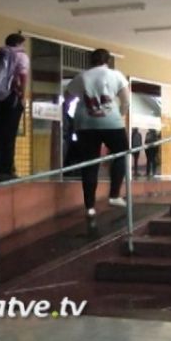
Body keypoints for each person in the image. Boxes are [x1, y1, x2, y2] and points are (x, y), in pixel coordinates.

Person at [63, 48, 130, 217]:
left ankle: (90, 207)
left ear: (90, 61)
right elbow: (126, 100)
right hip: (112, 123)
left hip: (85, 124)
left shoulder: (82, 76)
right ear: (108, 60)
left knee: (89, 163)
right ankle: (114, 195)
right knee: (121, 154)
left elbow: (68, 97)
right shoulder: (116, 75)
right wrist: (120, 114)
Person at [0, 33, 29, 181]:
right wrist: (22, 96)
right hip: (10, 98)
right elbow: (23, 76)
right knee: (9, 135)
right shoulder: (21, 56)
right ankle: (6, 170)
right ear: (19, 44)